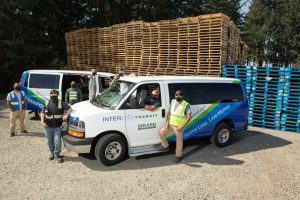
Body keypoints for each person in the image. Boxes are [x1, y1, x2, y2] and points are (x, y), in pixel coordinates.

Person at [159, 90, 192, 163]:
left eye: (180, 95)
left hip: (179, 126)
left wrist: (182, 126)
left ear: (182, 96)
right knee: (161, 132)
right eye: (176, 95)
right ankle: (166, 146)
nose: (178, 96)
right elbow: (169, 112)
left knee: (179, 141)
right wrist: (167, 122)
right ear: (175, 95)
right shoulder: (173, 101)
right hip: (171, 124)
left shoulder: (186, 104)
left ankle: (178, 156)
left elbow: (189, 116)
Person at [40, 89, 72, 163]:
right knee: (49, 141)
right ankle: (52, 153)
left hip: (57, 126)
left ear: (57, 95)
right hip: (47, 126)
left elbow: (70, 109)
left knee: (57, 141)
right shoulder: (46, 103)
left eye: (55, 94)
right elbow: (42, 113)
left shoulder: (61, 103)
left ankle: (57, 155)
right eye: (52, 93)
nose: (53, 95)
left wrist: (66, 115)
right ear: (50, 95)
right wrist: (42, 122)